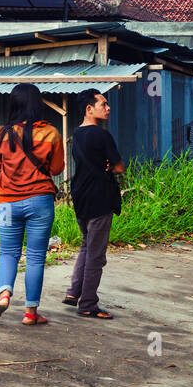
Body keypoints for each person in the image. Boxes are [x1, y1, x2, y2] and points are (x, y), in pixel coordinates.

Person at [0, 83, 64, 326]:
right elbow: (56, 169)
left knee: (8, 253)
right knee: (36, 257)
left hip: (8, 203)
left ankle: (4, 295)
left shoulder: (1, 133)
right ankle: (31, 313)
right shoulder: (51, 133)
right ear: (37, 104)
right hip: (40, 201)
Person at [63, 88, 124, 320]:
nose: (108, 108)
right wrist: (110, 166)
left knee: (87, 246)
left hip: (80, 195)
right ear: (89, 109)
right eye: (104, 104)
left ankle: (74, 292)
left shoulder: (77, 133)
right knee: (96, 254)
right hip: (100, 197)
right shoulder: (102, 135)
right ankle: (88, 304)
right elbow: (119, 167)